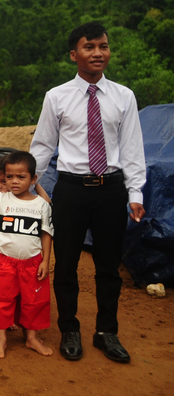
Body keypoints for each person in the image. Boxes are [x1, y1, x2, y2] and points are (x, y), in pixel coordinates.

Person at [30, 21, 146, 363]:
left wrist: (135, 192)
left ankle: (106, 332)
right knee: (65, 264)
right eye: (89, 46)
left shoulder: (124, 97)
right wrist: (21, 188)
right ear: (73, 54)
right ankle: (70, 328)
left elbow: (132, 149)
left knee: (109, 265)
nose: (98, 53)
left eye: (104, 46)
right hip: (70, 190)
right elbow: (42, 146)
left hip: (111, 190)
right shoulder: (57, 97)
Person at [0, 151, 54, 359]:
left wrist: (45, 260)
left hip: (32, 263)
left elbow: (46, 233)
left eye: (21, 177)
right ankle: (1, 338)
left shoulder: (42, 205)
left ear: (33, 179)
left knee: (33, 301)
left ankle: (31, 338)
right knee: (0, 299)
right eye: (9, 177)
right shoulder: (0, 199)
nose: (14, 181)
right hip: (1, 262)